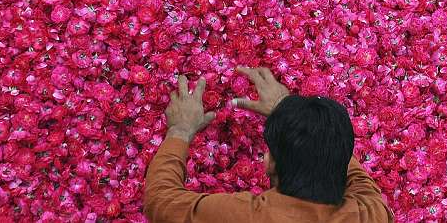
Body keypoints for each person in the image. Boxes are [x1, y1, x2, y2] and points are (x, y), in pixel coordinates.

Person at [144, 66, 394, 222]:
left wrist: (180, 129)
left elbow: (161, 202)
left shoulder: (245, 217)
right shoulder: (369, 215)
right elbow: (360, 182)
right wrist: (291, 118)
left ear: (269, 163)